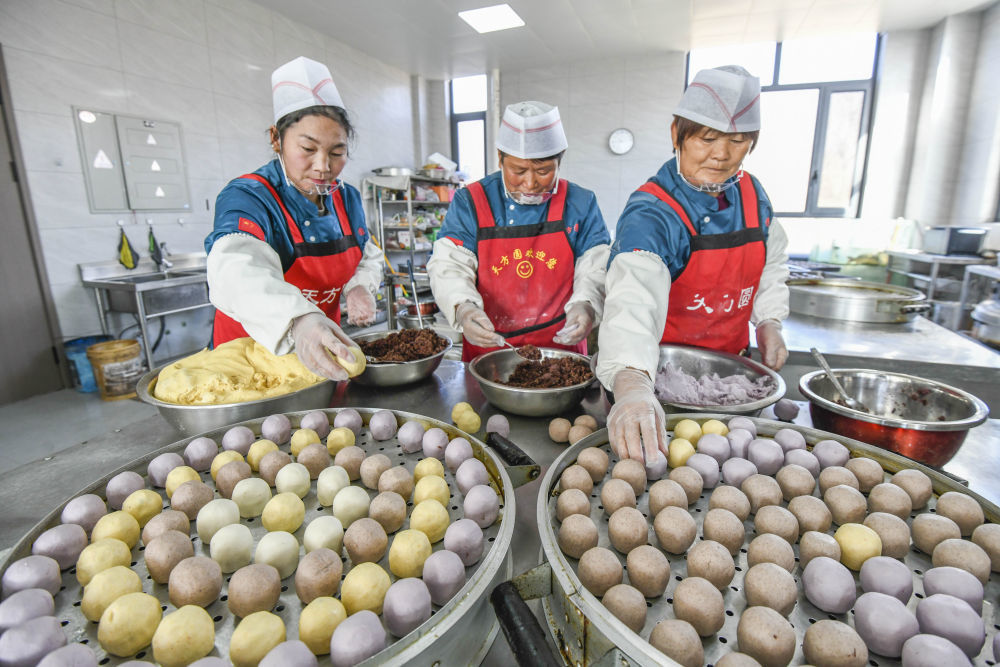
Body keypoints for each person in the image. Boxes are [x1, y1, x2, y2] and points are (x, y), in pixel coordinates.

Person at [596, 65, 790, 462]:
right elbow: (633, 297)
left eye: (738, 140)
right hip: (661, 382)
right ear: (676, 135)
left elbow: (771, 262)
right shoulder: (653, 212)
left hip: (731, 378)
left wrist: (769, 321)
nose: (721, 154)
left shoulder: (753, 195)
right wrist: (631, 383)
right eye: (707, 138)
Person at [205, 56, 384, 381]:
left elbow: (366, 254)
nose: (323, 167)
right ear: (276, 139)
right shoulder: (249, 197)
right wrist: (297, 320)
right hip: (248, 365)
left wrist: (359, 286)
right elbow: (235, 270)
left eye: (337, 152)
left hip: (320, 357)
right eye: (308, 149)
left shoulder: (347, 197)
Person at [428, 101, 611, 362]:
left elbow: (596, 265)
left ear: (560, 161)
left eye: (543, 171)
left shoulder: (580, 203)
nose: (530, 183)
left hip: (561, 352)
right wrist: (464, 308)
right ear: (500, 159)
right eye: (518, 171)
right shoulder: (472, 201)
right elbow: (449, 265)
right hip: (489, 352)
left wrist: (587, 304)